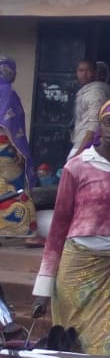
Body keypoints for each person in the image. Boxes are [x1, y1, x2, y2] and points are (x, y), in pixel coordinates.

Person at [33, 95, 110, 355]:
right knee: (73, 338)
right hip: (77, 265)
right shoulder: (77, 166)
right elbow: (59, 225)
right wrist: (44, 285)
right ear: (99, 125)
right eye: (107, 123)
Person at [0, 55, 41, 244]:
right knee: (17, 189)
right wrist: (19, 150)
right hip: (5, 149)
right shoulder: (7, 91)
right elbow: (9, 122)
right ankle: (28, 232)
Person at [69, 59, 110, 160]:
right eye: (81, 70)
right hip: (95, 146)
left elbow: (93, 127)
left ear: (95, 72)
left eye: (88, 70)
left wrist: (77, 155)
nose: (84, 74)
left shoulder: (95, 92)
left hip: (86, 146)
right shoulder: (93, 90)